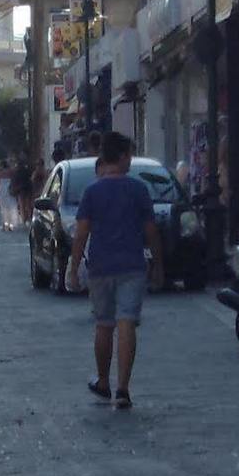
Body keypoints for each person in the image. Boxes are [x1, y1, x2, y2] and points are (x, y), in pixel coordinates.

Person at [67, 130, 162, 409]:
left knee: (104, 325)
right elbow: (151, 231)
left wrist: (74, 269)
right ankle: (123, 388)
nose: (130, 160)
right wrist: (158, 265)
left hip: (100, 266)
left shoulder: (92, 192)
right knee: (127, 322)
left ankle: (103, 381)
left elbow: (81, 233)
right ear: (121, 157)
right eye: (129, 155)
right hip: (132, 265)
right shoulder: (138, 190)